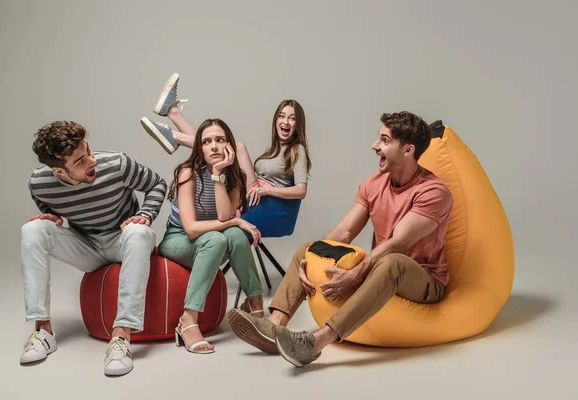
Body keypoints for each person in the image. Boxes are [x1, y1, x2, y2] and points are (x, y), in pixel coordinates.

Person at [227, 111, 453, 367]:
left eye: (385, 140)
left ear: (408, 150)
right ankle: (274, 326)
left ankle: (315, 343)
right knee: (307, 247)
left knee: (393, 262)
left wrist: (356, 274)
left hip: (423, 279)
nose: (374, 145)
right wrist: (310, 258)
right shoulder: (374, 183)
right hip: (379, 269)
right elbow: (344, 232)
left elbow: (397, 243)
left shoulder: (434, 192)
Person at [20, 121, 167, 376]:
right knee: (31, 230)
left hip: (124, 240)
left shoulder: (116, 163)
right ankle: (43, 332)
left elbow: (157, 184)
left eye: (88, 151)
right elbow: (44, 201)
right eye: (80, 161)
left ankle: (121, 337)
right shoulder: (39, 182)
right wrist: (51, 215)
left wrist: (146, 213)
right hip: (86, 246)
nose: (91, 161)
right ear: (60, 173)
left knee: (139, 231)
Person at [156, 117, 265, 354]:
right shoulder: (188, 173)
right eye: (206, 142)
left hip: (213, 238)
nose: (213, 146)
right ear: (199, 148)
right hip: (178, 239)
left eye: (220, 140)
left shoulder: (236, 178)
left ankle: (256, 305)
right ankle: (188, 319)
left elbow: (225, 218)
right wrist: (236, 220)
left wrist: (218, 175)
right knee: (223, 235)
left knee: (235, 236)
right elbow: (191, 229)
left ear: (229, 146)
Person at [139, 73, 312, 208]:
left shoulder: (297, 150)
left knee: (237, 147)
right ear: (276, 120)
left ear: (298, 124)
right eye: (281, 116)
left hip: (260, 200)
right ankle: (173, 113)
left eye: (292, 118)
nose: (285, 122)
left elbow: (301, 191)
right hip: (252, 192)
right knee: (214, 142)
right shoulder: (275, 149)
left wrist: (266, 190)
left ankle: (175, 132)